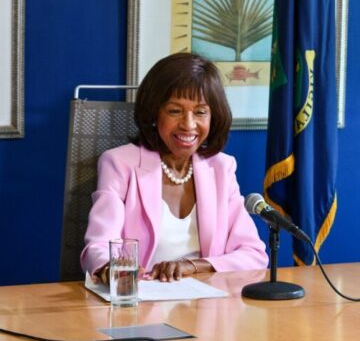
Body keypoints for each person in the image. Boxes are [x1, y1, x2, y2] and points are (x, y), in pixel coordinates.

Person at [82, 53, 268, 282]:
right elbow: (98, 246)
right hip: (141, 295)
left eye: (200, 112)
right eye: (175, 111)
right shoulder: (119, 163)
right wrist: (112, 269)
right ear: (154, 113)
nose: (188, 125)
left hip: (207, 298)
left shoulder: (221, 168)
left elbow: (254, 254)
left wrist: (192, 266)